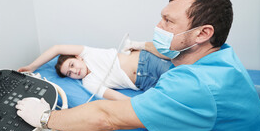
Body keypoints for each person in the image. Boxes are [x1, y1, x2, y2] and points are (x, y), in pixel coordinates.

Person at [16, 0, 260, 131]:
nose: (158, 27)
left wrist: (46, 116)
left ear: (202, 34)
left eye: (168, 21)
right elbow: (109, 99)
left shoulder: (193, 85)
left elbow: (105, 116)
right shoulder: (222, 57)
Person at [18, 44, 171, 100]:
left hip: (149, 61)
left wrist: (32, 66)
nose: (73, 71)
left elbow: (57, 48)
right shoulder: (89, 84)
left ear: (78, 57)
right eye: (69, 73)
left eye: (71, 64)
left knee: (187, 77)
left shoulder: (87, 53)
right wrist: (140, 105)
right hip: (146, 84)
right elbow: (118, 97)